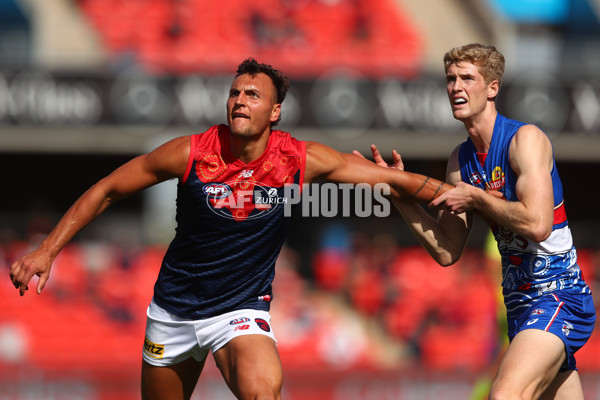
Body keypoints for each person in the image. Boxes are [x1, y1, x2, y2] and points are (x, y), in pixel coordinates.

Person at [9, 58, 449, 400]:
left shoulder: (299, 159)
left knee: (263, 390)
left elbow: (396, 180)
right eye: (235, 92)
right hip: (174, 312)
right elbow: (107, 190)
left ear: (275, 111)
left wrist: (471, 197)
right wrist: (47, 250)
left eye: (253, 95)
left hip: (239, 311)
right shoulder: (190, 152)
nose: (240, 100)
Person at [363, 43, 596, 399]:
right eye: (451, 79)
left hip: (558, 295)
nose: (456, 87)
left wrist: (476, 198)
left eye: (467, 78)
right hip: (520, 307)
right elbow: (446, 250)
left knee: (503, 395)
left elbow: (538, 224)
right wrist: (400, 196)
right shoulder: (461, 160)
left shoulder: (525, 139)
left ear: (492, 88)